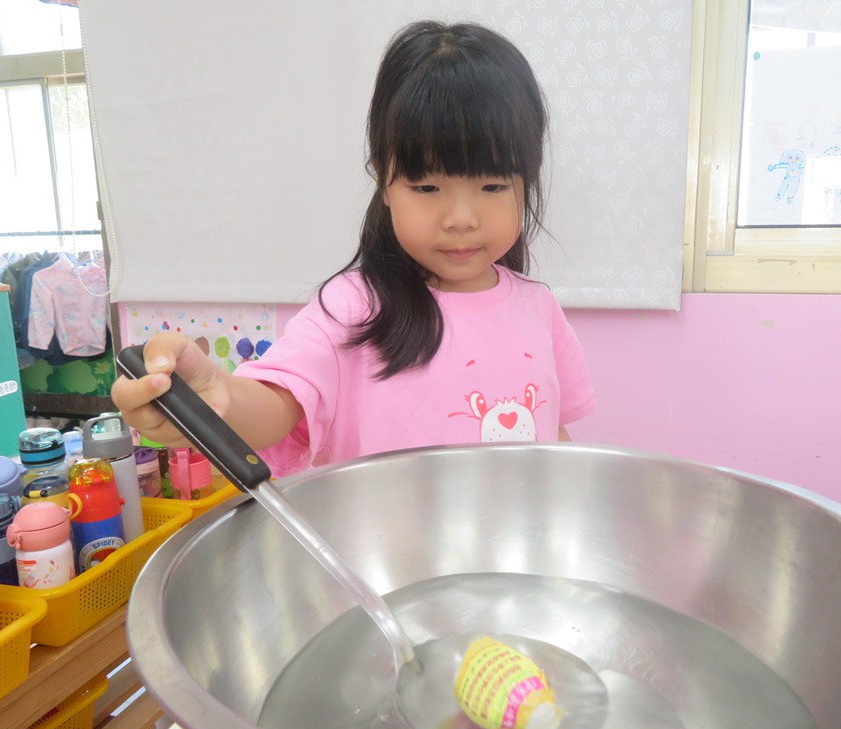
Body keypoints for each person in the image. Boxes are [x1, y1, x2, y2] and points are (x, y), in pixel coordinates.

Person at [112, 20, 596, 477]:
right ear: (384, 182)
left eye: (492, 186)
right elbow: (278, 405)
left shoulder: (538, 307)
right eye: (427, 187)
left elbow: (551, 431)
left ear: (526, 182)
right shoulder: (352, 309)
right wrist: (217, 397)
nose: (461, 218)